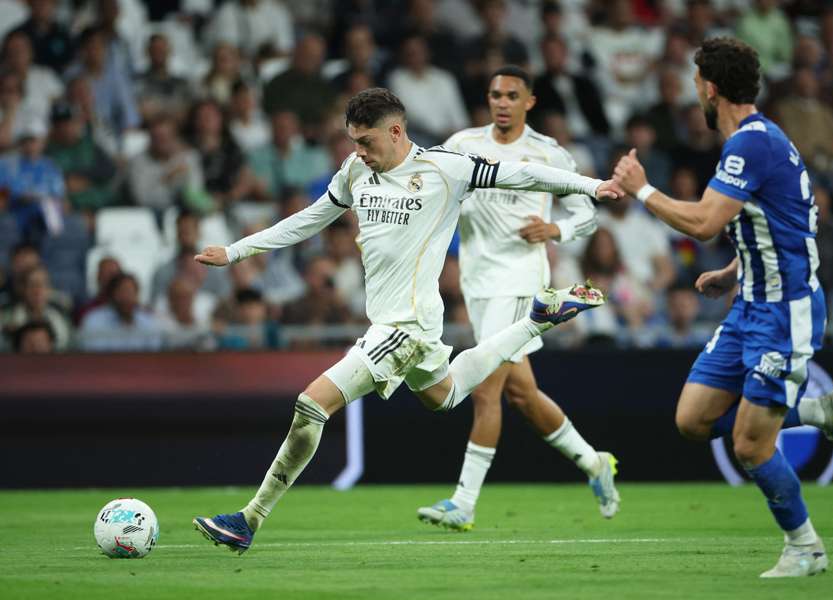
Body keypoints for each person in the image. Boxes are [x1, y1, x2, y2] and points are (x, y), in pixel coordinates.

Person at [192, 87, 623, 553]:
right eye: (354, 141)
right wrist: (236, 251)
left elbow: (522, 174)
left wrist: (590, 186)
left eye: (366, 141)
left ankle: (249, 519)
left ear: (396, 131)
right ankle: (537, 320)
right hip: (411, 324)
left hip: (403, 328)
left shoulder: (446, 169)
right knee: (446, 395)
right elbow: (310, 219)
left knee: (311, 405)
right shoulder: (355, 170)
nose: (359, 151)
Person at [611, 37, 833, 578]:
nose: (695, 93)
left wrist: (642, 190)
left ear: (710, 88)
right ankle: (818, 413)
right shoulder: (760, 139)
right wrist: (734, 270)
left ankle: (805, 547)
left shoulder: (751, 144)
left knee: (751, 446)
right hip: (749, 303)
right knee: (692, 419)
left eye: (696, 83)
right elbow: (786, 221)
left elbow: (705, 223)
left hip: (785, 312)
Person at [416, 66, 619, 532]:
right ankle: (594, 463)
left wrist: (555, 229)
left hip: (520, 282)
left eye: (512, 95)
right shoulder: (463, 144)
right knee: (522, 394)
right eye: (495, 95)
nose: (502, 103)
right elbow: (430, 188)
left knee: (485, 388)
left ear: (530, 101)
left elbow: (586, 214)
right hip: (478, 282)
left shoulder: (548, 153)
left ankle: (464, 502)